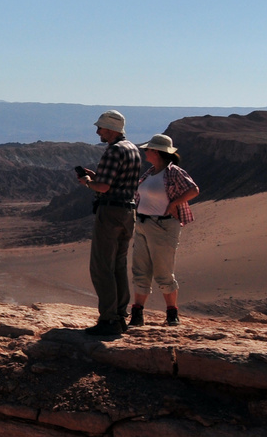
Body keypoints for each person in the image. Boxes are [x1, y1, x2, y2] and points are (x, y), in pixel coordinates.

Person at [74, 110, 143, 336]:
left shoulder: (113, 151)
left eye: (101, 128)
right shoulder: (133, 149)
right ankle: (121, 316)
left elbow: (103, 187)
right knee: (118, 265)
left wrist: (87, 182)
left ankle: (108, 319)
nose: (97, 132)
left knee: (102, 266)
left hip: (111, 211)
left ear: (111, 130)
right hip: (128, 212)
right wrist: (98, 177)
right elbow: (115, 181)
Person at [129, 133, 199, 327]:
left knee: (163, 271)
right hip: (142, 224)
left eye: (148, 149)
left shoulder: (173, 172)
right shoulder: (149, 173)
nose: (145, 152)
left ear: (157, 152)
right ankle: (137, 313)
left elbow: (193, 190)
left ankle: (171, 313)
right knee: (140, 269)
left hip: (162, 225)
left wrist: (175, 203)